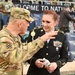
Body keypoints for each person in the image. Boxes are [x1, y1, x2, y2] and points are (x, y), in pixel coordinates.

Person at [0, 7, 58, 75]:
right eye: (28, 22)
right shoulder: (3, 39)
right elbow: (16, 57)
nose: (28, 25)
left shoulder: (14, 37)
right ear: (20, 24)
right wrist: (41, 40)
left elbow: (23, 51)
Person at [26, 10, 68, 75]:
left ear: (55, 22)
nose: (44, 24)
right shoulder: (34, 33)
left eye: (48, 22)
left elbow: (65, 58)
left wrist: (56, 64)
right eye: (43, 21)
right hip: (34, 72)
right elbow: (26, 54)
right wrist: (35, 61)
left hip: (52, 73)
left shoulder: (61, 36)